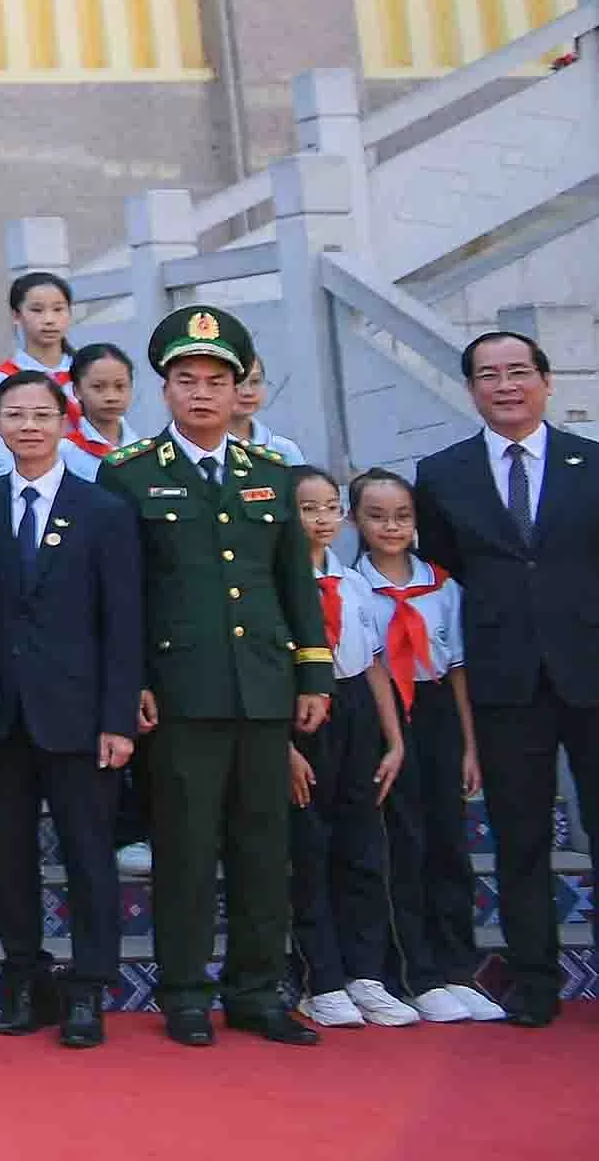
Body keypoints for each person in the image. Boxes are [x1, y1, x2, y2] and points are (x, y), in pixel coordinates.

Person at [102, 304, 331, 1045]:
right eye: (183, 379)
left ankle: (258, 991)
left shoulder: (269, 474)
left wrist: (313, 676)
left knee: (264, 847)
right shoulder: (130, 474)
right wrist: (130, 676)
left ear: (239, 391)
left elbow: (294, 583)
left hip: (263, 687)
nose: (199, 392)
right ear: (162, 390)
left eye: (215, 380)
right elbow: (122, 590)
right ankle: (185, 992)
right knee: (187, 848)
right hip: (179, 691)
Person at [407, 328, 592, 1028]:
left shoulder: (591, 462)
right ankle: (536, 979)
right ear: (471, 389)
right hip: (501, 677)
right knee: (519, 836)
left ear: (545, 380)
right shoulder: (443, 473)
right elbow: (444, 572)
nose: (505, 385)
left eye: (518, 371)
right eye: (488, 374)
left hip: (588, 668)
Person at [0, 370, 139, 1047]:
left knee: (86, 854)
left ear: (64, 422)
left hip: (80, 715)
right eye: (15, 414)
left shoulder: (101, 510)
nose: (29, 425)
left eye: (42, 413)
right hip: (5, 718)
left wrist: (118, 717)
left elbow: (123, 622)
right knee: (9, 856)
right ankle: (23, 980)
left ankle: (87, 989)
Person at [349, 468, 497, 1021]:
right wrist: (391, 738)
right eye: (377, 516)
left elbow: (457, 669)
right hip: (385, 717)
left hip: (436, 711)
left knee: (448, 843)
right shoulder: (352, 585)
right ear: (356, 521)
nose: (391, 526)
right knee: (401, 843)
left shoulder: (443, 585)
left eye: (402, 516)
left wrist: (468, 745)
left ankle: (458, 969)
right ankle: (415, 973)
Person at [287, 467, 407, 1030]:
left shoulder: (353, 581)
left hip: (357, 710)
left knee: (362, 847)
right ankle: (323, 979)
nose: (321, 519)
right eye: (307, 508)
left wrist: (394, 739)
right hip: (301, 714)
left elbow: (376, 664)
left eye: (330, 507)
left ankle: (367, 974)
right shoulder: (275, 583)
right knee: (309, 850)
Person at [0, 270, 79, 396]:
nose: (49, 319)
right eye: (37, 310)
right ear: (16, 316)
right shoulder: (2, 378)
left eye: (58, 309)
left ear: (69, 313)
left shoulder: (86, 371)